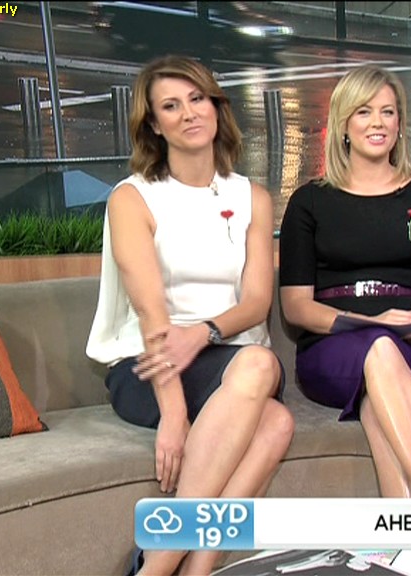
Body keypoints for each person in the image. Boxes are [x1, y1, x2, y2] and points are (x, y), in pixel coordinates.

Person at [86, 55, 294, 575]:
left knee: (271, 402)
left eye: (197, 99)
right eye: (171, 106)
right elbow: (151, 314)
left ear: (216, 107)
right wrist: (174, 415)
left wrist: (202, 334)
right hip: (147, 366)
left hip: (229, 357)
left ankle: (174, 567)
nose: (189, 113)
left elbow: (256, 303)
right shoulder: (132, 199)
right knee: (269, 404)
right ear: (155, 125)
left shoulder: (252, 197)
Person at [278, 65, 411, 498]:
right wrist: (374, 323)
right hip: (333, 349)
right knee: (379, 347)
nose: (377, 123)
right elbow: (296, 307)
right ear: (343, 124)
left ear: (400, 124)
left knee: (378, 402)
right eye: (364, 112)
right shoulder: (309, 202)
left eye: (387, 112)